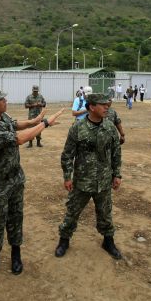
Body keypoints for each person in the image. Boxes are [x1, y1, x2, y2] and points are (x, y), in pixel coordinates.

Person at [0, 87, 63, 279]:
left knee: (16, 216)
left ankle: (16, 254)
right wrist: (46, 123)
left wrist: (35, 120)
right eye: (1, 99)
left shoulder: (2, 117)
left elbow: (16, 125)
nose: (5, 100)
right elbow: (20, 138)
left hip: (15, 178)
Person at [55, 93, 123, 260]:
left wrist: (117, 174)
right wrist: (67, 177)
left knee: (105, 213)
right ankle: (64, 240)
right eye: (102, 104)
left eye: (107, 104)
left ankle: (108, 241)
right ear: (92, 107)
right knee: (72, 212)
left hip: (104, 180)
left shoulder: (109, 127)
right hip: (82, 181)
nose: (107, 107)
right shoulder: (78, 128)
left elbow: (116, 152)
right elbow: (67, 154)